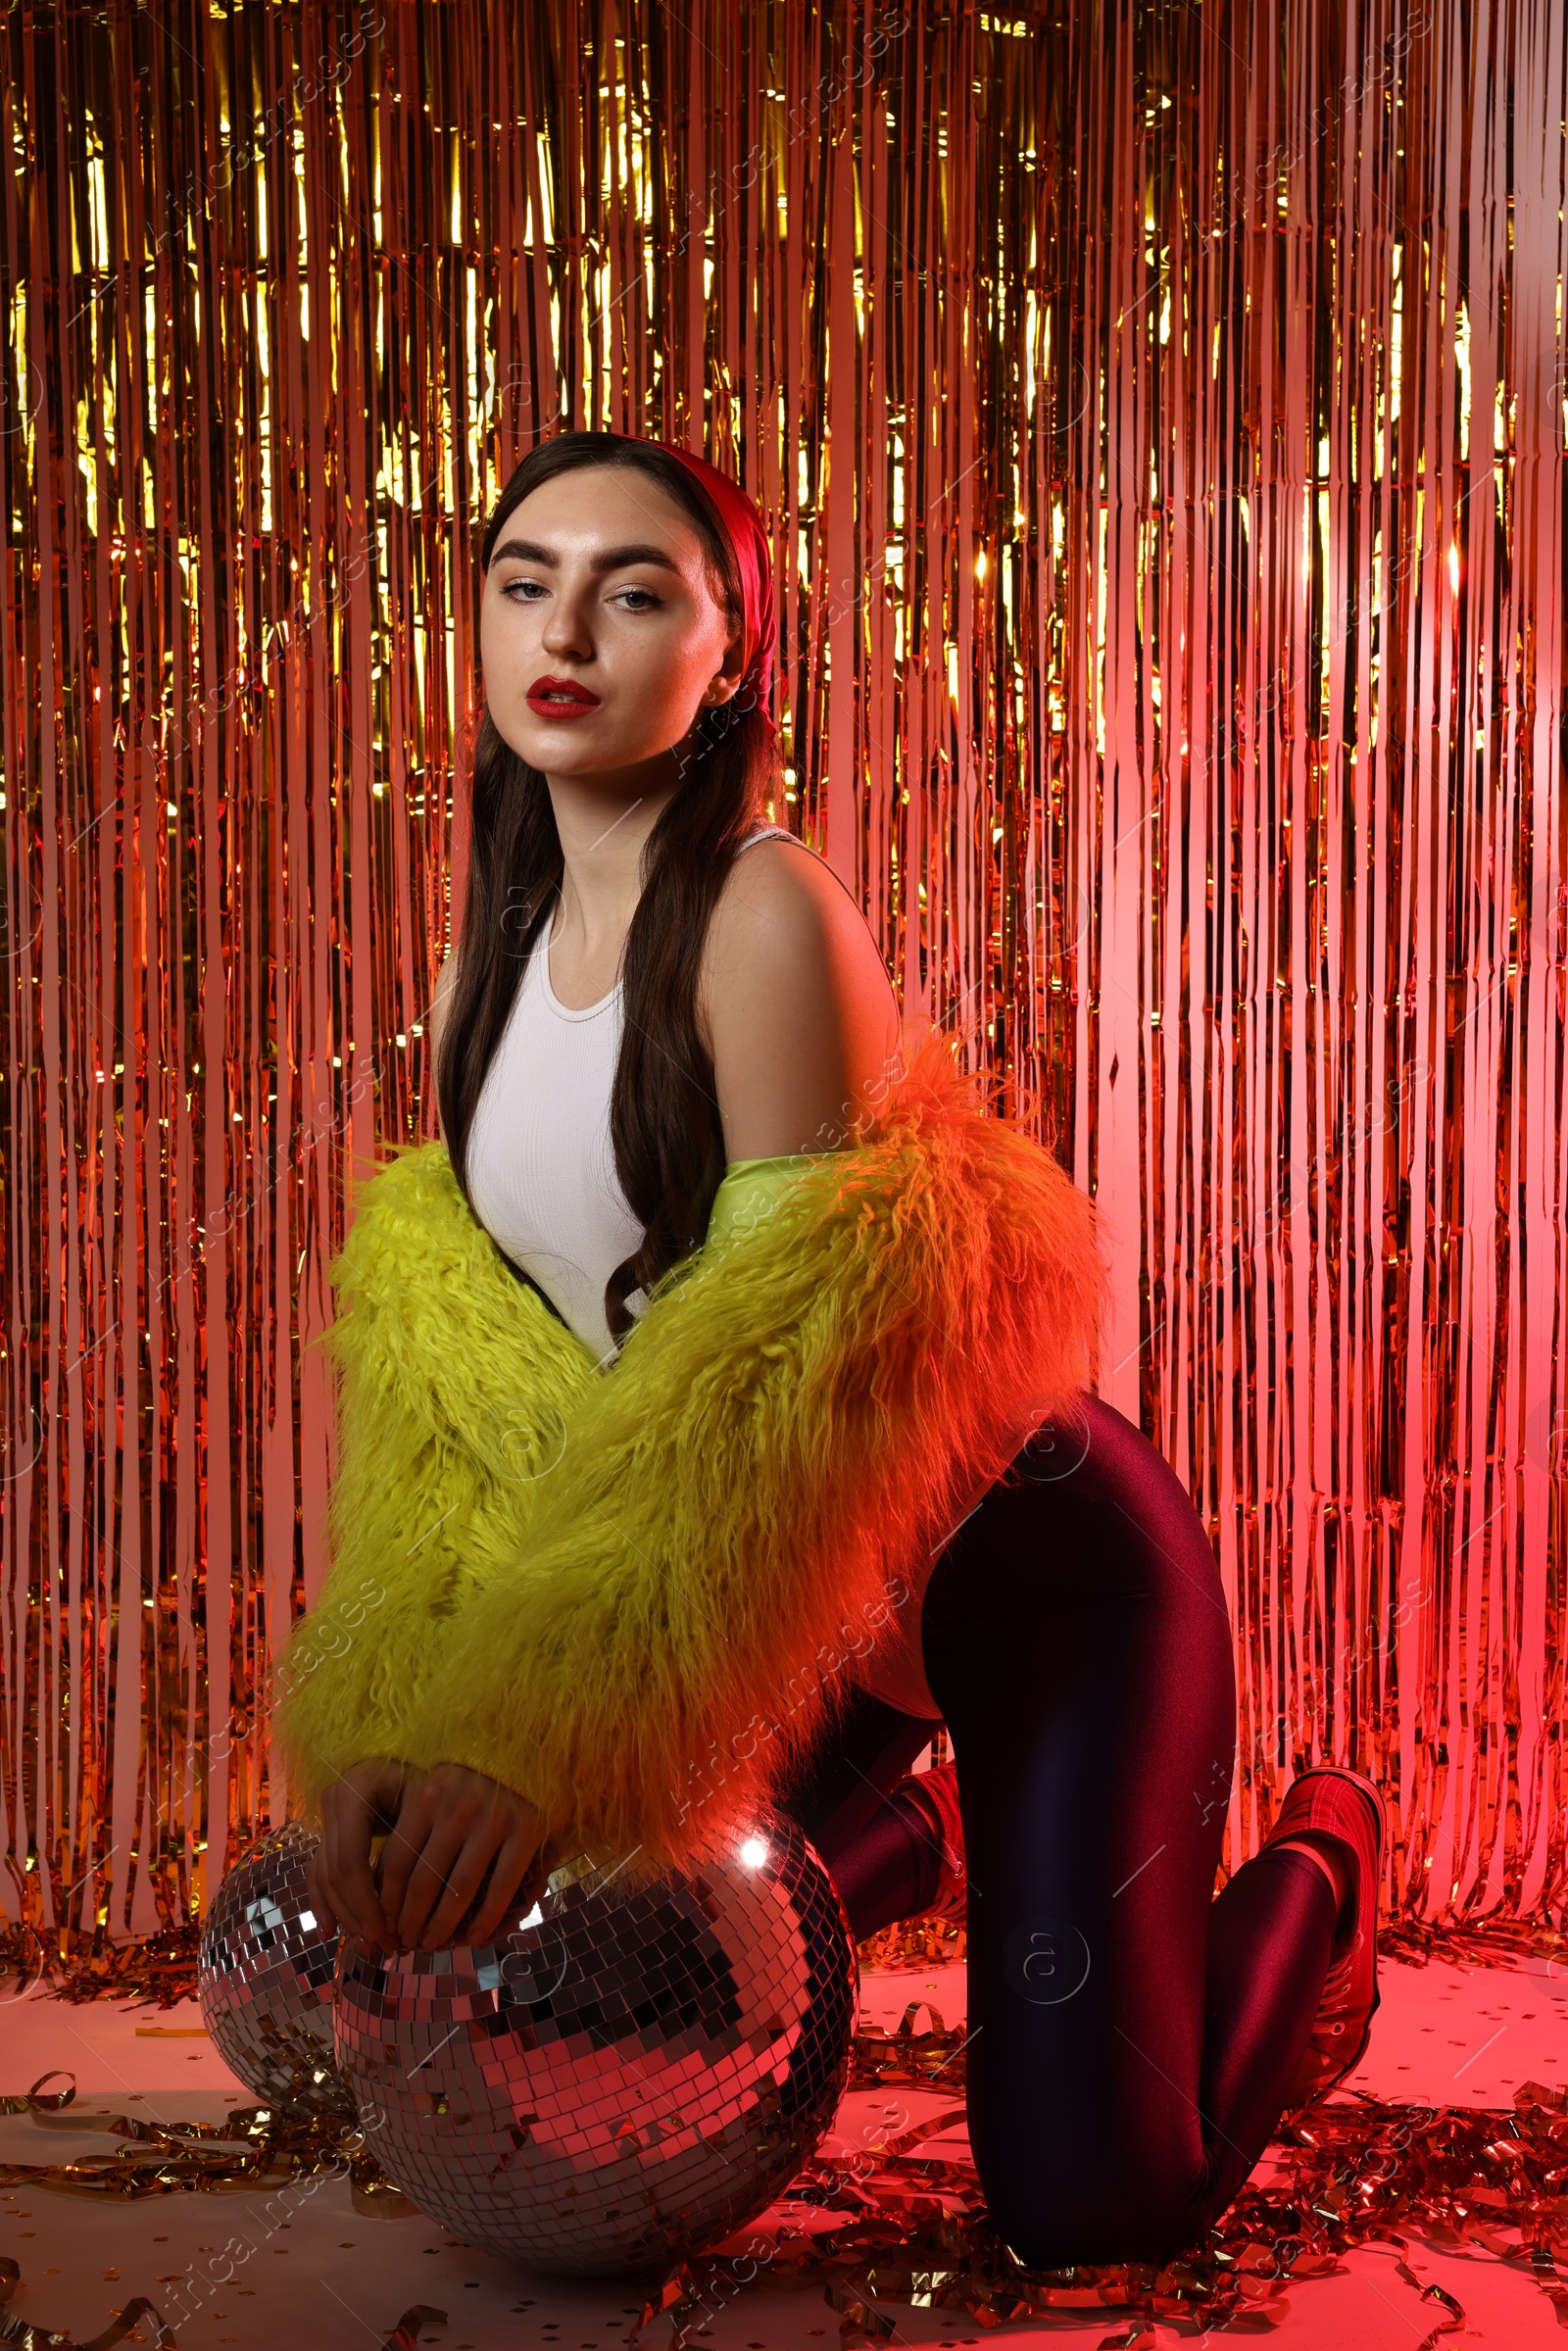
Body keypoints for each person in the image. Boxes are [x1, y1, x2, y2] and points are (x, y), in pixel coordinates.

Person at [273, 427, 1385, 2268]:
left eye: (638, 592)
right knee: (551, 2007)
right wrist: (420, 1726)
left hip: (1025, 1594)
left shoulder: (763, 916)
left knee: (1089, 2206)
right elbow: (477, 1420)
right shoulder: (501, 948)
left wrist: (546, 1740)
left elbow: (764, 1407)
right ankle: (898, 1844)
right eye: (524, 583)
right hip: (796, 1647)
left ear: (732, 654)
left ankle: (1321, 1883)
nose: (570, 629)